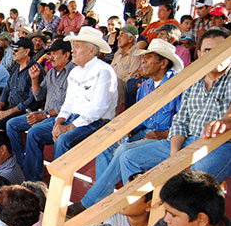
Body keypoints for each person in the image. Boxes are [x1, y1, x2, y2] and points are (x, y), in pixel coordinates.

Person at [68, 38, 183, 215]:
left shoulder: (178, 85)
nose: (142, 61)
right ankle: (104, 203)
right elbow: (137, 117)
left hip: (165, 139)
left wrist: (161, 134)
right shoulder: (145, 86)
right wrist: (125, 131)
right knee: (106, 145)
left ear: (163, 63)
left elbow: (182, 122)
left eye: (149, 57)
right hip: (142, 134)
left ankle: (93, 204)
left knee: (124, 151)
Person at [120, 29, 231, 186]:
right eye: (208, 50)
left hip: (220, 144)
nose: (214, 55)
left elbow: (230, 117)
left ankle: (174, 208)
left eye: (220, 50)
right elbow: (180, 121)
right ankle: (139, 208)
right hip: (186, 141)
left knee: (196, 173)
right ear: (199, 54)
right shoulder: (193, 80)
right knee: (128, 157)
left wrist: (226, 121)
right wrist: (175, 155)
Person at [7, 39, 76, 181]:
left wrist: (44, 115)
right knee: (12, 124)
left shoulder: (74, 73)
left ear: (66, 55)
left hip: (63, 118)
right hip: (46, 115)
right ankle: (20, 166)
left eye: (54, 53)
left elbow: (71, 105)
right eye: (49, 53)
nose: (50, 57)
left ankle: (33, 180)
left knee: (34, 132)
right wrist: (34, 79)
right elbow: (38, 96)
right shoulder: (51, 73)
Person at [50, 27, 117, 160]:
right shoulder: (75, 71)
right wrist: (59, 122)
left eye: (77, 47)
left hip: (96, 122)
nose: (72, 50)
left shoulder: (104, 71)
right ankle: (34, 177)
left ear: (91, 51)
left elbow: (99, 108)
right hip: (73, 119)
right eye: (73, 46)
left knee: (63, 140)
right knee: (36, 132)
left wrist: (69, 127)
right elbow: (68, 102)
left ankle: (59, 180)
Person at [0, 37, 44, 131]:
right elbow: (7, 89)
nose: (13, 52)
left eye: (16, 50)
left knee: (1, 124)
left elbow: (31, 100)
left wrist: (9, 112)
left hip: (23, 111)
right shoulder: (16, 67)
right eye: (13, 49)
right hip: (9, 106)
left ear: (26, 52)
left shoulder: (35, 69)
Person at [111, 24, 142, 109]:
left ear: (131, 39)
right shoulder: (118, 53)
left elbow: (129, 81)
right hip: (110, 93)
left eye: (121, 35)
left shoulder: (136, 55)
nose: (118, 37)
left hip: (120, 98)